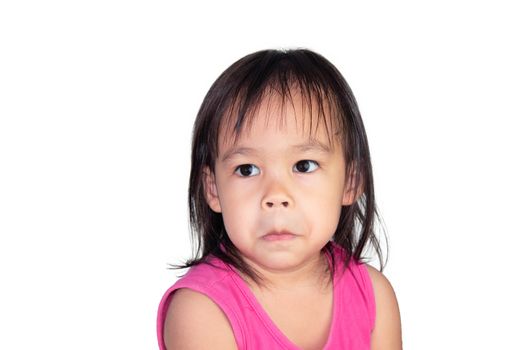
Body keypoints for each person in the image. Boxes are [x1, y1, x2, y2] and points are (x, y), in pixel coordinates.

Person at [157, 48, 402, 349]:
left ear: (351, 180)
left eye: (303, 166)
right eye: (247, 170)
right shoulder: (201, 310)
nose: (276, 196)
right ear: (213, 189)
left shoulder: (373, 297)